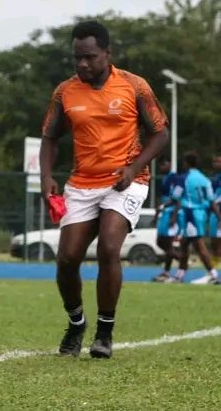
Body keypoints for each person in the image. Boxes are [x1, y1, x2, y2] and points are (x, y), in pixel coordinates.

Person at [39, 20, 168, 359]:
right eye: (77, 58)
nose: (82, 64)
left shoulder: (134, 86)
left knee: (110, 248)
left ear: (107, 54)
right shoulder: (64, 92)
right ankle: (76, 323)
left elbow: (160, 133)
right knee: (67, 259)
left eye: (90, 57)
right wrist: (46, 176)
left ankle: (104, 333)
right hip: (82, 183)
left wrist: (134, 168)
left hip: (126, 182)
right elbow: (50, 138)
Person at [172, 153, 218, 285]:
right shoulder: (205, 179)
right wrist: (219, 216)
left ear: (187, 163)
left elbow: (175, 197)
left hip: (190, 214)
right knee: (184, 244)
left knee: (199, 245)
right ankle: (180, 275)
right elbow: (211, 201)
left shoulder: (184, 178)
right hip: (201, 214)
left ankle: (213, 275)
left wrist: (166, 209)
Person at [151, 158, 184, 283]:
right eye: (160, 165)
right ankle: (175, 264)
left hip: (172, 214)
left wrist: (174, 216)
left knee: (166, 243)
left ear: (169, 164)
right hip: (165, 213)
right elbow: (164, 199)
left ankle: (179, 264)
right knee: (161, 242)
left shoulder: (175, 178)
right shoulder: (165, 178)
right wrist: (157, 214)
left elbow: (178, 198)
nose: (161, 167)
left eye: (163, 164)